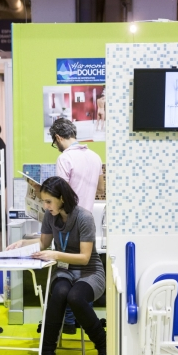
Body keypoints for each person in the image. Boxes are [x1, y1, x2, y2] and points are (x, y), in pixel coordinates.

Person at [7, 176, 106, 355]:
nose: (45, 206)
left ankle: (103, 347)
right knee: (60, 293)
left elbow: (85, 258)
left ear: (61, 198)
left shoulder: (84, 218)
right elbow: (43, 243)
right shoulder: (50, 217)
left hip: (89, 271)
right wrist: (21, 244)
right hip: (64, 269)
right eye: (43, 201)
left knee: (76, 297)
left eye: (48, 201)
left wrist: (55, 254)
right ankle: (47, 352)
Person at [50, 117, 105, 334]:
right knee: (86, 274)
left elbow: (58, 193)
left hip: (69, 222)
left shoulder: (65, 158)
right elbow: (101, 187)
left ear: (58, 137)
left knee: (67, 271)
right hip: (88, 221)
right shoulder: (95, 156)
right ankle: (84, 319)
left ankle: (70, 323)